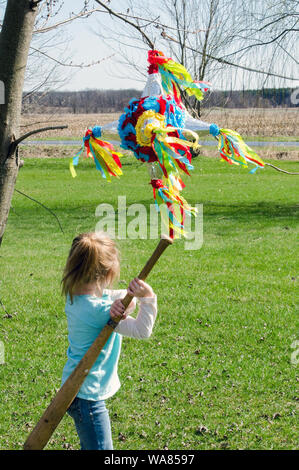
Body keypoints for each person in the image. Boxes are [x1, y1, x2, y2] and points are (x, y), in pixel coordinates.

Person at [60, 232, 157, 450]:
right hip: (88, 397)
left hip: (76, 389)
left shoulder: (74, 295)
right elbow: (142, 330)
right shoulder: (101, 311)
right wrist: (148, 298)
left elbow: (112, 296)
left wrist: (127, 300)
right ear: (106, 273)